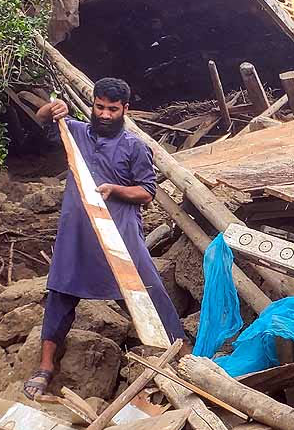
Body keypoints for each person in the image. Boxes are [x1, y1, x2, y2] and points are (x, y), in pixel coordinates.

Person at [24, 78, 184, 398]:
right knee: (60, 291)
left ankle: (176, 354)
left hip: (120, 233)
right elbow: (40, 123)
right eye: (100, 107)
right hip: (77, 232)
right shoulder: (75, 132)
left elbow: (147, 192)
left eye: (113, 109)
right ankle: (45, 367)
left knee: (146, 291)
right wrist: (51, 108)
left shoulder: (134, 146)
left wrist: (115, 190)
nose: (105, 114)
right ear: (93, 104)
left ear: (125, 109)